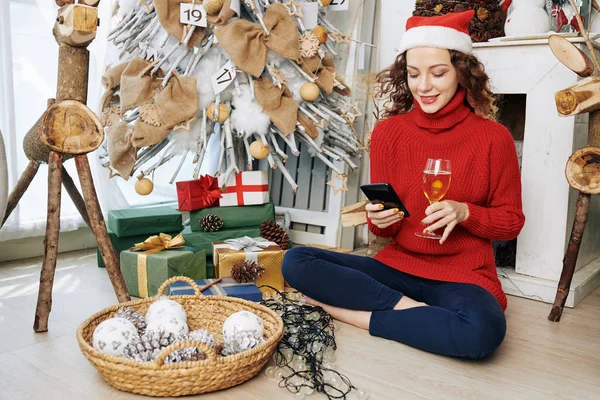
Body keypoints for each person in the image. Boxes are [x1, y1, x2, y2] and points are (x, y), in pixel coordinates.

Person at [282, 10, 525, 360]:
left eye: (438, 73)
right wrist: (379, 219)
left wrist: (465, 212)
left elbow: (511, 221)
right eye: (413, 74)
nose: (423, 86)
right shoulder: (388, 134)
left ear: (462, 72)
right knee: (296, 260)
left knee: (483, 331)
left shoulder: (493, 138)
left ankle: (358, 316)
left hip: (462, 276)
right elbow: (390, 220)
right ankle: (410, 310)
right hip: (395, 268)